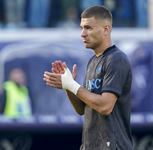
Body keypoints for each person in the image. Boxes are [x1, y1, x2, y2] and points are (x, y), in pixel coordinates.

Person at [43, 5, 133, 150]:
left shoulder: (116, 59)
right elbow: (82, 109)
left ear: (106, 29)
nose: (82, 34)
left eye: (88, 28)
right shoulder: (92, 61)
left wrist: (73, 86)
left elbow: (105, 106)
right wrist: (68, 87)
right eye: (81, 28)